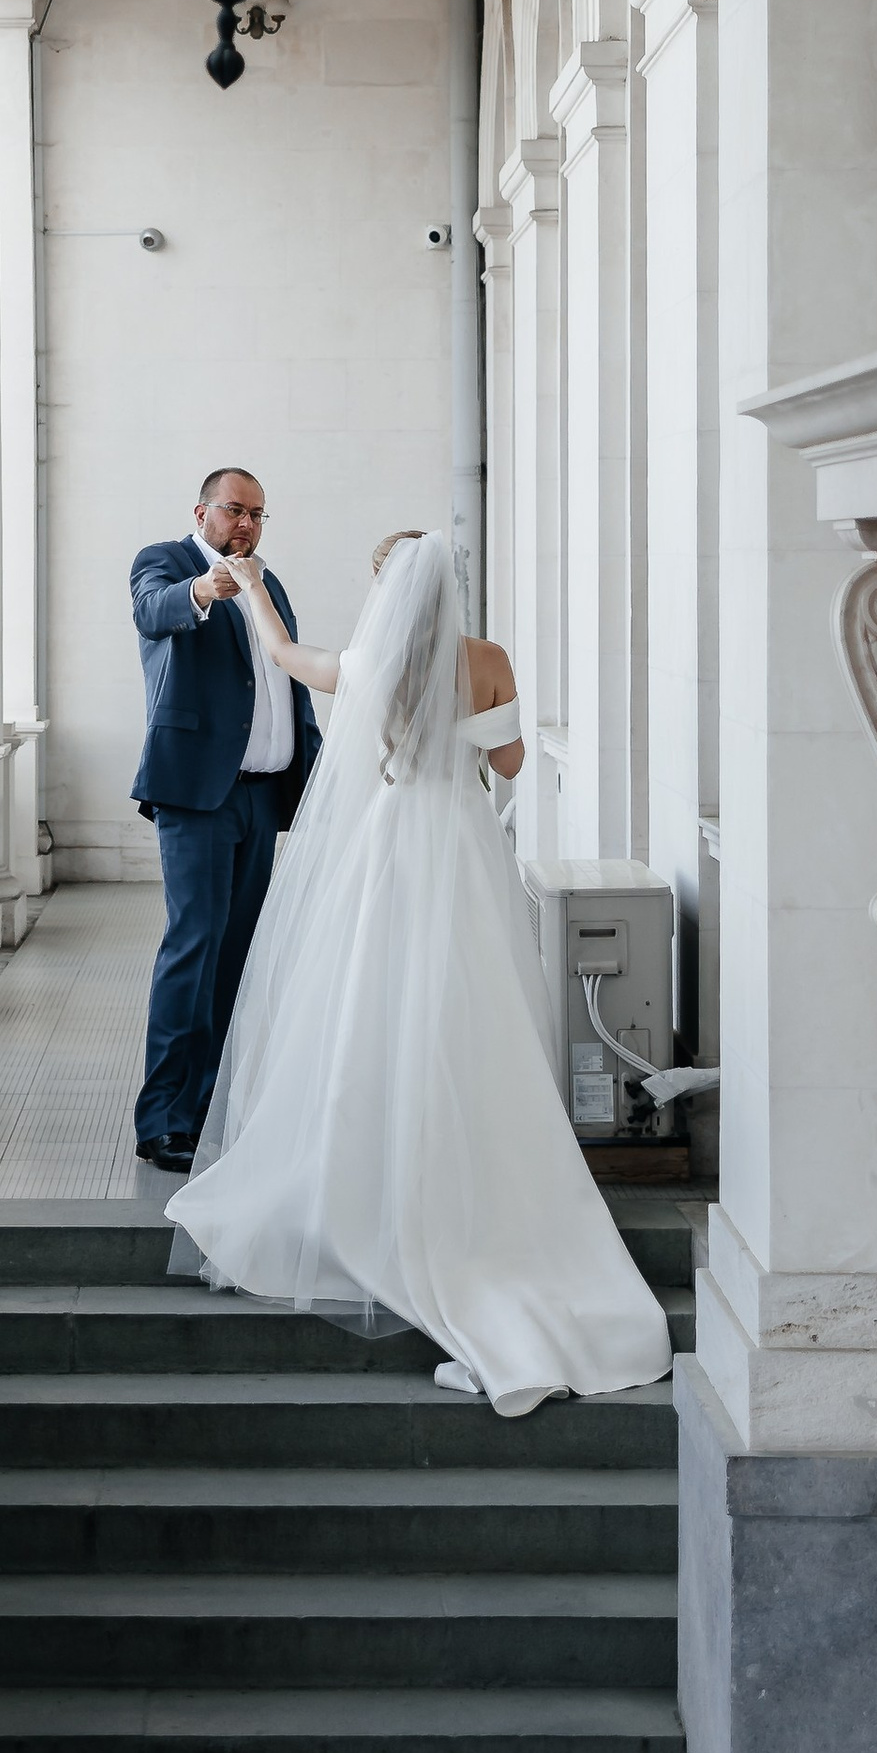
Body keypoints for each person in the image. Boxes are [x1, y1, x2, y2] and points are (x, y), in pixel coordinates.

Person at [164, 526, 671, 1415]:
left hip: (391, 845)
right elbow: (510, 763)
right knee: (474, 1020)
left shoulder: (370, 663)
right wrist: (480, 720)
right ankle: (480, 1192)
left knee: (370, 1010)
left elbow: (283, 653)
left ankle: (369, 1183)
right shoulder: (489, 659)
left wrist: (246, 583)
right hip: (462, 845)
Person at [126, 469, 320, 1174]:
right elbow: (156, 610)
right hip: (199, 797)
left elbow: (287, 687)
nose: (247, 525)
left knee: (239, 958)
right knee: (194, 950)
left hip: (263, 798)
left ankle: (209, 1111)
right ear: (202, 511)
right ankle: (164, 1120)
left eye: (258, 514)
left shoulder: (272, 584)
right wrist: (204, 592)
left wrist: (319, 778)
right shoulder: (167, 563)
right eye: (235, 511)